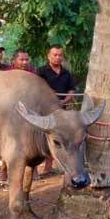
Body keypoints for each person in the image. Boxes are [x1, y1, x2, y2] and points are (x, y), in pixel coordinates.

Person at [35, 45, 76, 175]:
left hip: (61, 111)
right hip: (44, 111)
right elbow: (39, 88)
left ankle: (48, 166)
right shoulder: (41, 71)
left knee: (58, 138)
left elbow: (71, 89)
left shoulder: (66, 72)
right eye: (55, 55)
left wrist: (66, 100)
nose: (58, 58)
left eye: (60, 55)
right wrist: (53, 98)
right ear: (49, 56)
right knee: (38, 138)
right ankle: (34, 169)